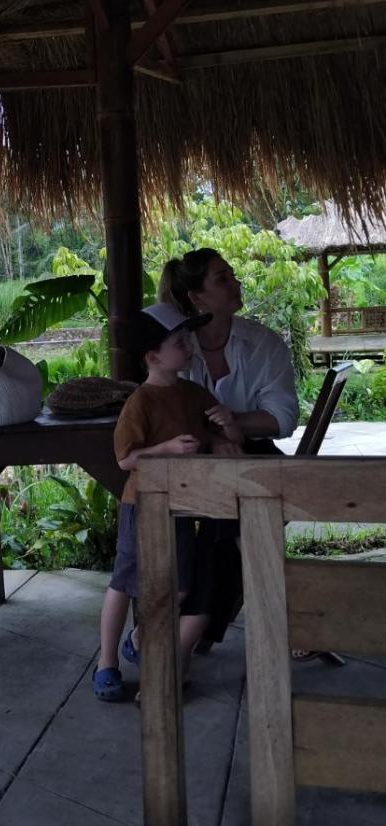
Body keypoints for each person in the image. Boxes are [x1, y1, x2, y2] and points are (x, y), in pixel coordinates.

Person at [93, 302, 244, 703]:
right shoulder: (140, 402)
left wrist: (225, 433)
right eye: (180, 343)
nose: (189, 347)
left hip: (182, 505)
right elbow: (126, 459)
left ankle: (139, 638)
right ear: (153, 357)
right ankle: (106, 662)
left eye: (187, 341)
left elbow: (216, 434)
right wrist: (167, 448)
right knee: (124, 583)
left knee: (179, 586)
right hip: (142, 505)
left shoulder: (193, 393)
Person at [159, 247, 300, 643]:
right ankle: (282, 621)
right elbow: (165, 414)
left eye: (232, 275)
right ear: (196, 297)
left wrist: (231, 424)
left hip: (252, 458)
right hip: (193, 465)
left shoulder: (262, 343)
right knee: (236, 516)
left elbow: (282, 419)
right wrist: (215, 438)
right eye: (222, 279)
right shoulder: (177, 349)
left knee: (227, 513)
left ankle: (188, 636)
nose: (236, 283)